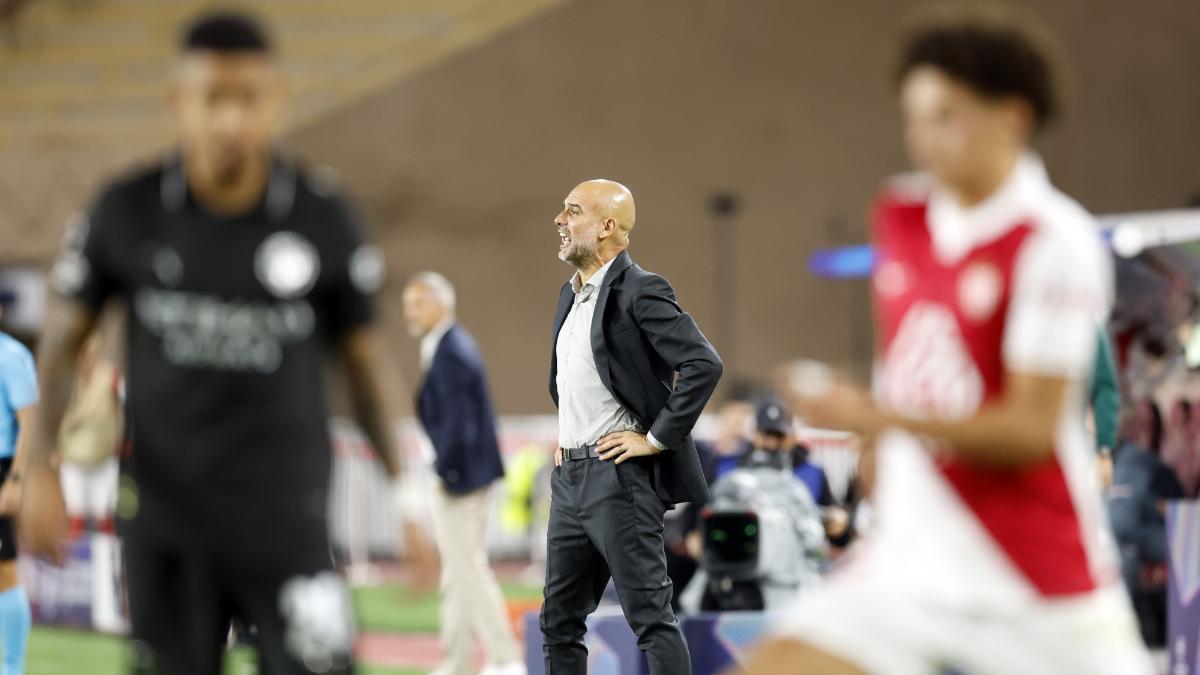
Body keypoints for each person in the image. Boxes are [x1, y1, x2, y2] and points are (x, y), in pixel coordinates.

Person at [742, 8, 1153, 674]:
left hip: (1030, 580)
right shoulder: (900, 216)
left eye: (944, 115)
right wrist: (877, 442)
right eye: (912, 117)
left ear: (1012, 116)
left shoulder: (1054, 241)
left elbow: (1028, 429)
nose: (920, 138)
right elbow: (907, 371)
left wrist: (878, 418)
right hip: (910, 569)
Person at [19, 12, 405, 675]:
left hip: (288, 522)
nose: (231, 120)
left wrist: (413, 493)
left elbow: (366, 361)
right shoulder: (128, 209)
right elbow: (62, 338)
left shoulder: (321, 217)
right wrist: (38, 469)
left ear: (276, 101)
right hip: (167, 526)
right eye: (212, 99)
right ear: (179, 102)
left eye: (248, 99)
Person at [541, 179, 723, 674]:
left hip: (617, 478)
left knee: (650, 620)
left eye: (572, 211)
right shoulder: (570, 294)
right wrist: (569, 438)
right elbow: (576, 380)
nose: (560, 220)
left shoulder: (641, 289)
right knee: (558, 624)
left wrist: (654, 439)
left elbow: (703, 364)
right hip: (572, 477)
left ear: (606, 226)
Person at [402, 272, 525, 675]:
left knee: (468, 568)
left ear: (441, 304)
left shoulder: (450, 349)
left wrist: (445, 471)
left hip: (461, 477)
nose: (409, 313)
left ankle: (505, 658)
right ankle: (454, 662)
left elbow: (459, 423)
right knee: (457, 573)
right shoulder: (447, 344)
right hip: (464, 473)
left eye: (417, 303)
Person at [1108, 399, 1183, 645]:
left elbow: (1121, 524)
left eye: (1147, 422)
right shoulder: (1133, 462)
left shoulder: (1139, 463)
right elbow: (1122, 523)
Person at [58, 336, 122, 536]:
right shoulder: (64, 378)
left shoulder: (111, 376)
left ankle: (106, 563)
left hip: (104, 453)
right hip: (71, 455)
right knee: (73, 516)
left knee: (106, 516)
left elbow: (124, 409)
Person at [0, 306, 33, 675]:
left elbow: (30, 422)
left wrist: (16, 479)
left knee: (4, 570)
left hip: (2, 466)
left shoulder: (11, 357)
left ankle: (12, 667)